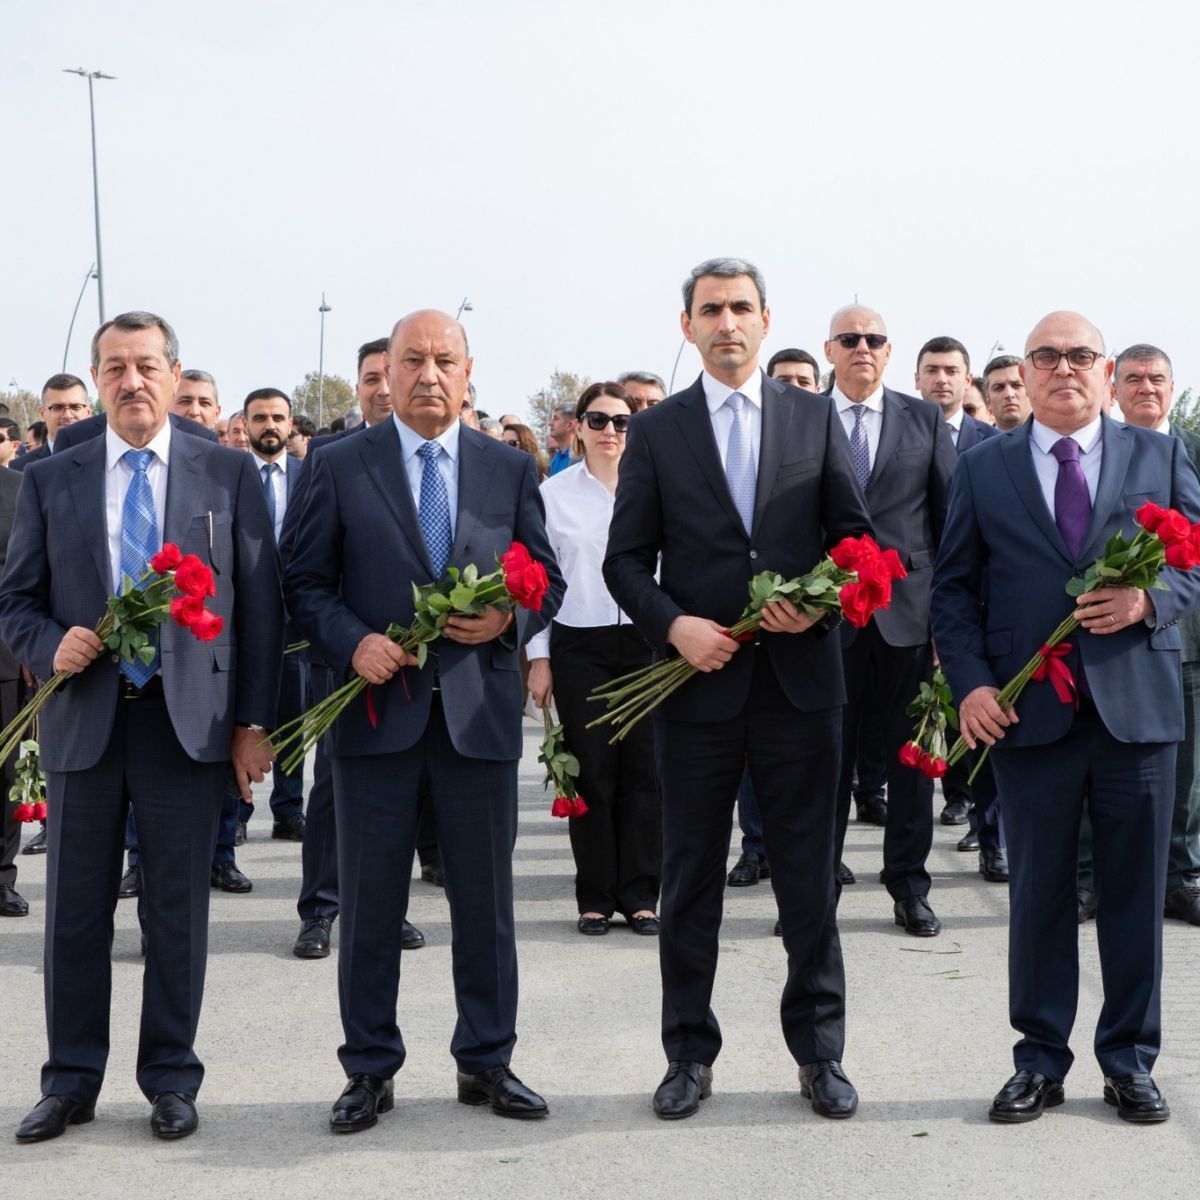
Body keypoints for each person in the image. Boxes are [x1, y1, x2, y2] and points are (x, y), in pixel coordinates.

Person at [0, 310, 282, 1143]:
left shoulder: (225, 473)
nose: (132, 381)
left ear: (172, 372)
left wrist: (254, 724)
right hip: (85, 723)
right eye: (115, 367)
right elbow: (14, 601)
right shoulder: (56, 476)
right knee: (76, 915)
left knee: (176, 913)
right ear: (95, 379)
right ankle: (71, 1080)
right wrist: (54, 644)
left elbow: (260, 609)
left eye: (147, 365)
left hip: (186, 725)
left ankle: (170, 1079)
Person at [604, 257, 872, 1121]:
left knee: (807, 879)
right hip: (695, 687)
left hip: (801, 687)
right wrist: (672, 625)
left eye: (741, 309)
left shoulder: (816, 416)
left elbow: (854, 540)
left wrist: (818, 606)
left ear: (766, 320)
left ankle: (819, 1054)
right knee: (689, 879)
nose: (727, 323)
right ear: (686, 325)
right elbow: (622, 562)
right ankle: (687, 1052)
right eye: (710, 310)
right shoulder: (658, 430)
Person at [285, 309, 563, 1132]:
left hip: (477, 719)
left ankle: (487, 1062)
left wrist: (510, 618)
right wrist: (353, 642)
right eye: (413, 361)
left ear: (468, 370)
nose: (429, 375)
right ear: (387, 373)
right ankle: (369, 1069)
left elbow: (545, 574)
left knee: (486, 907)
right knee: (370, 907)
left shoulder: (508, 469)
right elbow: (300, 583)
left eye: (445, 360)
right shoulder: (338, 465)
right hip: (375, 720)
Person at [931, 311, 1200, 1125]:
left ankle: (1129, 1060)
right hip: (1028, 718)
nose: (1062, 369)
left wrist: (1150, 600)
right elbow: (951, 590)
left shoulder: (1161, 453)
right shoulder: (984, 468)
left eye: (1079, 355)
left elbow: (1194, 564)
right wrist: (973, 686)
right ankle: (1039, 1061)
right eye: (1045, 356)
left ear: (1105, 367)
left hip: (1138, 713)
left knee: (1134, 895)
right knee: (1040, 895)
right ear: (1026, 371)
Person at [282, 339, 428, 959]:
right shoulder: (330, 458)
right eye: (369, 378)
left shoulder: (433, 459)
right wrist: (349, 638)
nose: (378, 388)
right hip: (346, 661)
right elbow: (301, 561)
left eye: (383, 377)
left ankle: (383, 906)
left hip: (419, 667)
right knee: (334, 791)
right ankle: (320, 909)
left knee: (403, 791)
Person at [825, 306, 956, 937]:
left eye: (873, 339)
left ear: (889, 350)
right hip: (825, 620)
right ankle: (815, 887)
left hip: (909, 619)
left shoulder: (924, 418)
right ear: (829, 349)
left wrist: (946, 622)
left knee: (910, 764)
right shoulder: (799, 420)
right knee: (822, 761)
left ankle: (909, 886)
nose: (862, 348)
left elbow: (951, 524)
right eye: (849, 339)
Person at [527, 382, 661, 936]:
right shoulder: (552, 495)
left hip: (647, 644)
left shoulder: (655, 490)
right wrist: (539, 657)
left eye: (622, 421)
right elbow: (538, 586)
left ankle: (642, 896)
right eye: (599, 420)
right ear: (577, 426)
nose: (611, 431)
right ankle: (595, 897)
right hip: (579, 644)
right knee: (592, 775)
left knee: (646, 775)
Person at [1097, 343, 1200, 926]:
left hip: (1184, 636)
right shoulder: (1098, 453)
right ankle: (1089, 878)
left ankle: (1180, 879)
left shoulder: (1188, 449)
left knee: (1186, 772)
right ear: (1114, 387)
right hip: (1113, 641)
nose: (1146, 388)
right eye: (1133, 378)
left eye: (1157, 378)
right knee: (1098, 765)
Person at [0, 464, 27, 917]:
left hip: (3, 658)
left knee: (6, 775)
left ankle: (1, 876)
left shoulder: (19, 488)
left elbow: (27, 578)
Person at [11, 374, 91, 470]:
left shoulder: (106, 458)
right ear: (42, 413)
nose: (67, 415)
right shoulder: (20, 467)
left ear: (88, 412)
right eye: (57, 408)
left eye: (75, 407)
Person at [983, 355, 1032, 431]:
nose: (1009, 394)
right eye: (999, 388)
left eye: (1017, 385)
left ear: (1031, 390)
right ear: (987, 399)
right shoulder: (975, 442)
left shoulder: (1053, 438)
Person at [547, 403, 577, 475]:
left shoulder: (581, 459)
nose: (550, 423)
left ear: (569, 425)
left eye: (556, 419)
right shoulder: (556, 459)